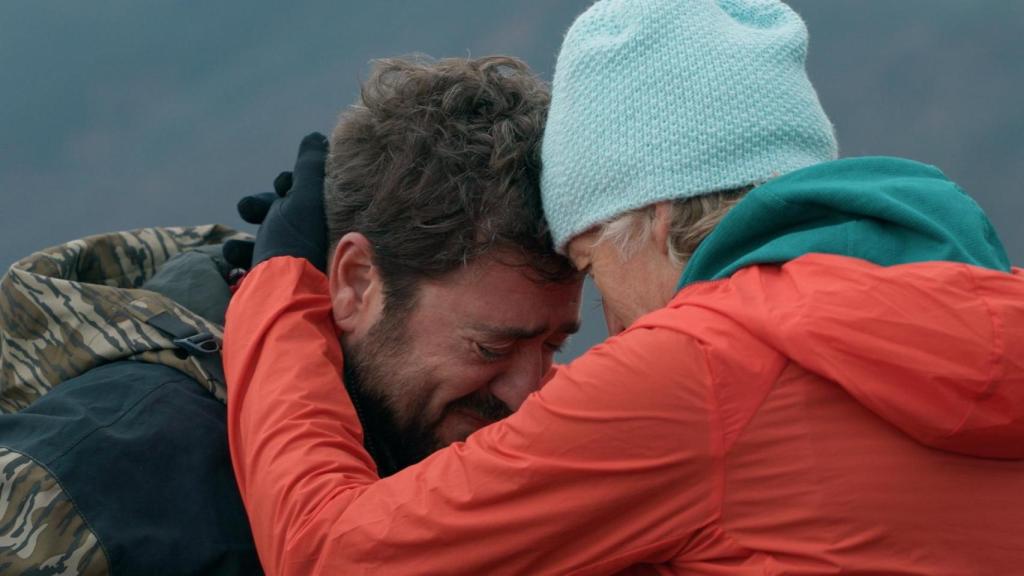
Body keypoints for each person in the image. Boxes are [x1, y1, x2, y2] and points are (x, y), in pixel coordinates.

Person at [223, 0, 1024, 574]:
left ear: (647, 216)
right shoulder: (980, 308)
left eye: (592, 268)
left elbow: (329, 553)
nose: (614, 322)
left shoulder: (701, 372)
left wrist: (279, 288)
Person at [0, 55, 581, 574]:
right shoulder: (96, 478)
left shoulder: (431, 452)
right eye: (491, 349)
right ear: (355, 283)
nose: (528, 394)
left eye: (554, 345)